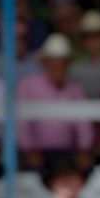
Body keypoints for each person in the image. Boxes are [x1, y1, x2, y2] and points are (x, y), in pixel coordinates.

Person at [17, 33, 95, 169]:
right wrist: (28, 149)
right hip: (35, 151)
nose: (58, 67)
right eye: (53, 62)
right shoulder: (27, 85)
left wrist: (84, 149)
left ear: (68, 64)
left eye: (62, 62)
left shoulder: (76, 89)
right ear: (45, 63)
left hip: (68, 152)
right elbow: (21, 123)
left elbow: (84, 124)